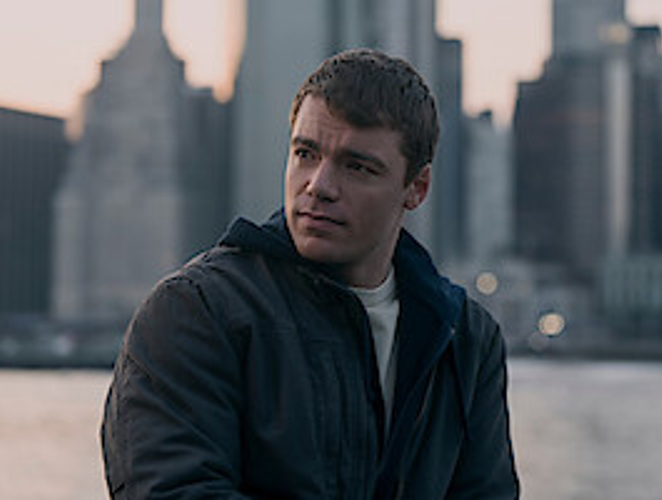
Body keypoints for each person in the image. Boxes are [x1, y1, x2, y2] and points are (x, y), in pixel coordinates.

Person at [101, 48, 520, 499]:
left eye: (357, 167)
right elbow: (171, 491)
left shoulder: (466, 339)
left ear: (416, 188)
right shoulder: (196, 312)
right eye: (305, 153)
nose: (318, 186)